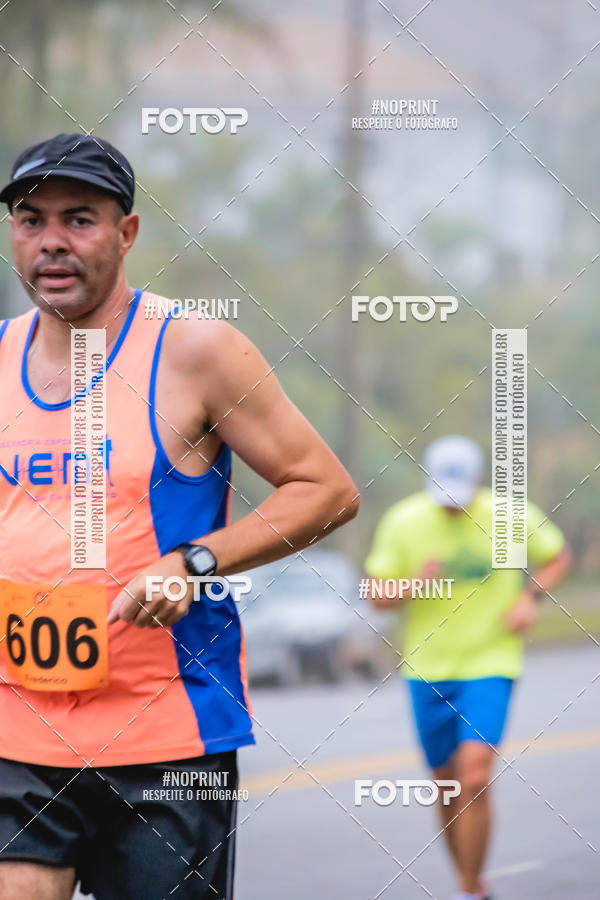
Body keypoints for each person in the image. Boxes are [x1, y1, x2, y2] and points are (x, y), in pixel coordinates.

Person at [0, 133, 359, 900]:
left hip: (167, 738)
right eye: (31, 220)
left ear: (126, 233)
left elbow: (324, 490)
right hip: (19, 732)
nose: (51, 242)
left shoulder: (196, 350)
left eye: (79, 219)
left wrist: (193, 562)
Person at [364, 435, 570, 900]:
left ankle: (465, 891)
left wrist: (528, 597)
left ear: (478, 480)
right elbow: (376, 597)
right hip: (426, 669)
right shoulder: (403, 522)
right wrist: (414, 584)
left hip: (490, 661)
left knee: (474, 776)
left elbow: (556, 556)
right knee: (447, 783)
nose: (452, 506)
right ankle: (473, 883)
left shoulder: (510, 517)